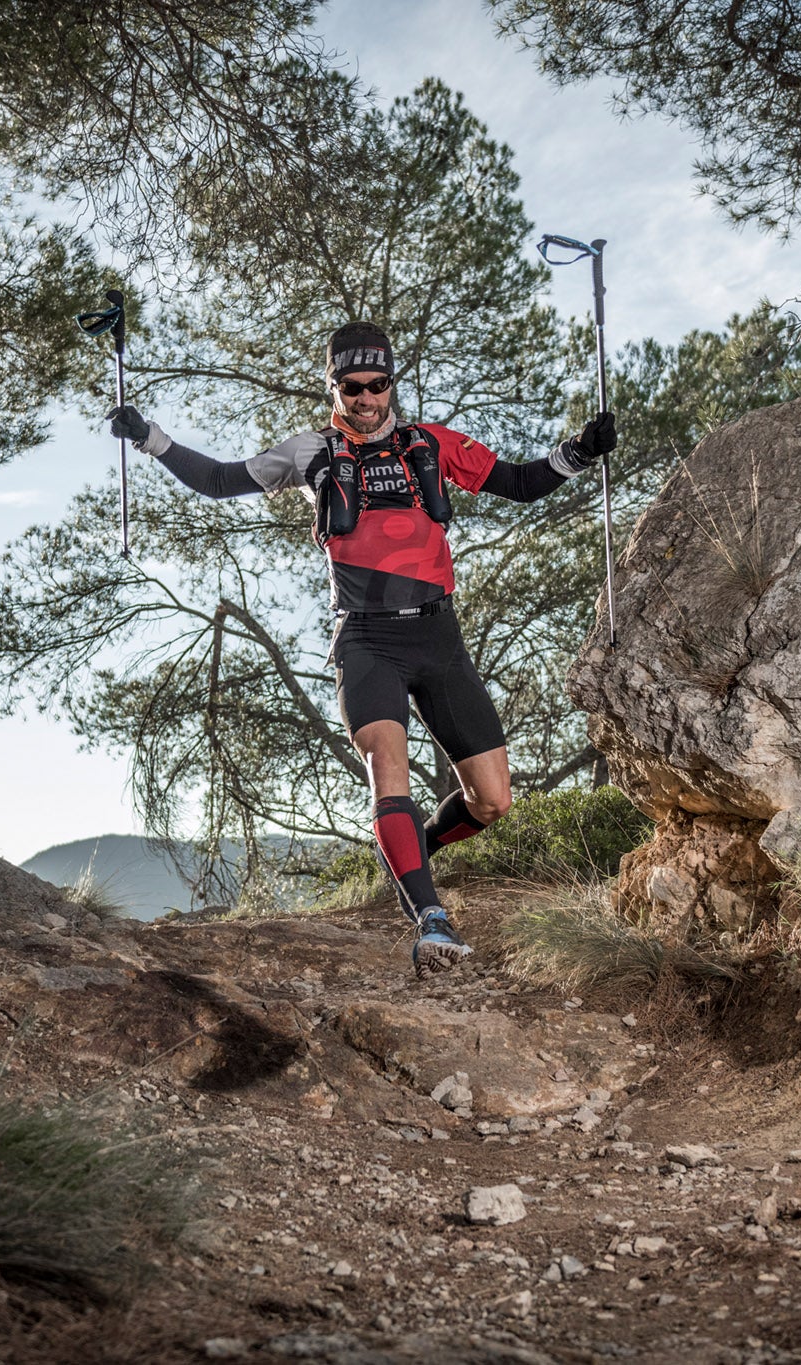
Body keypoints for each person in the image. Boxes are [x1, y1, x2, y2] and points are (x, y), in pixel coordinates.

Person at [106, 321, 615, 978]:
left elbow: (515, 482)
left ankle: (412, 852)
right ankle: (431, 920)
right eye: (354, 387)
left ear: (390, 383)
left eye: (379, 385)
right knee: (387, 764)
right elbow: (219, 478)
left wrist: (578, 451)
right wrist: (151, 438)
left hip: (438, 635)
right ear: (335, 386)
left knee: (492, 800)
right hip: (367, 639)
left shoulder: (431, 443)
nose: (368, 398)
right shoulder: (308, 451)